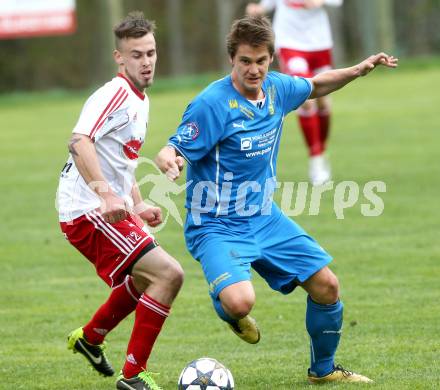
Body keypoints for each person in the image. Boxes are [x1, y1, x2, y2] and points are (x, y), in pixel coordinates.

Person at [155, 15, 397, 384]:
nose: (254, 70)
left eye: (261, 61)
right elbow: (173, 146)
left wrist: (358, 70)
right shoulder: (212, 104)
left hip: (264, 217)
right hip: (216, 224)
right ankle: (229, 311)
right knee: (240, 302)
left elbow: (315, 85)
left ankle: (324, 370)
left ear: (272, 58)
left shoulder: (278, 90)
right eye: (245, 61)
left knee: (327, 285)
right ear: (232, 60)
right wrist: (169, 160)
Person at [56, 11, 184, 390]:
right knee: (167, 274)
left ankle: (91, 337)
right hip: (85, 210)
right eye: (137, 55)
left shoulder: (139, 99)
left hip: (105, 205)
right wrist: (105, 193)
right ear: (119, 57)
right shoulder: (113, 94)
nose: (146, 62)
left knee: (149, 278)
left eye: (151, 53)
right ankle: (133, 377)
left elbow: (121, 161)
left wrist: (137, 202)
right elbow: (79, 142)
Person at [246, 0, 343, 185]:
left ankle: (321, 151)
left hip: (319, 43)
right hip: (290, 43)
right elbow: (268, 4)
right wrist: (257, 9)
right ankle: (315, 159)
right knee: (305, 98)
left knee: (323, 102)